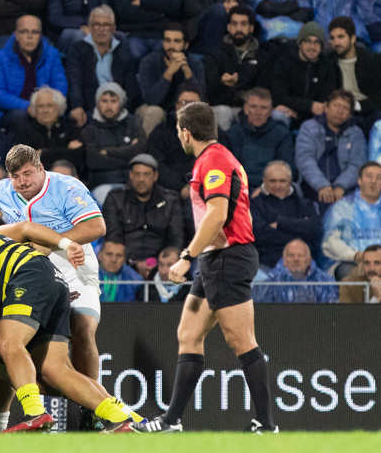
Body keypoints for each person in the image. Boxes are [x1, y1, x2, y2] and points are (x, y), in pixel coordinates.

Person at [0, 143, 109, 428]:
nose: (22, 182)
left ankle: (93, 412)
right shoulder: (5, 189)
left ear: (41, 169)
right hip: (29, 278)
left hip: (73, 270)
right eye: (16, 176)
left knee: (81, 328)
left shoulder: (67, 188)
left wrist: (51, 243)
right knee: (10, 350)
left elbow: (96, 228)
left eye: (28, 174)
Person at [134, 101, 277, 434]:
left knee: (241, 340)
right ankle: (171, 422)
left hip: (228, 258)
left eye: (179, 133)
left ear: (186, 132)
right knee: (188, 334)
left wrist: (186, 256)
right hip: (217, 259)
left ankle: (266, 424)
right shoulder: (221, 157)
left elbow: (217, 214)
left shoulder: (212, 161)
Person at [322, 161, 381, 278]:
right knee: (350, 274)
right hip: (351, 262)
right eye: (369, 176)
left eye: (379, 177)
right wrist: (355, 255)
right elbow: (330, 243)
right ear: (359, 181)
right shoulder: (341, 209)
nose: (373, 181)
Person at [102, 153, 183, 278]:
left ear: (155, 176)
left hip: (161, 265)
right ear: (130, 175)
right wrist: (133, 263)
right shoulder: (115, 198)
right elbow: (113, 237)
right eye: (137, 174)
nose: (141, 179)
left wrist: (159, 264)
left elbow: (177, 238)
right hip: (124, 265)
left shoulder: (170, 200)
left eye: (146, 174)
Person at [0, 14, 67, 133]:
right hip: (16, 111)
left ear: (40, 36)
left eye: (35, 32)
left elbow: (60, 86)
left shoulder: (52, 55)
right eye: (24, 32)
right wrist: (28, 106)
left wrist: (44, 106)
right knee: (21, 117)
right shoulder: (1, 57)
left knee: (60, 117)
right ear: (17, 35)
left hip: (47, 106)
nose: (30, 37)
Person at [204, 6, 273, 131]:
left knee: (260, 111)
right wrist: (222, 83)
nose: (239, 29)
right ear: (228, 27)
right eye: (235, 24)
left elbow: (264, 91)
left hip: (251, 107)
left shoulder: (264, 58)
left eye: (244, 24)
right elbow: (208, 91)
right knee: (222, 111)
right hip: (223, 106)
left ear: (251, 28)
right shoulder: (215, 54)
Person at [294, 89, 366, 209]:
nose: (340, 111)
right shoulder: (309, 127)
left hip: (345, 188)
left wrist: (341, 185)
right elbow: (305, 160)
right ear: (326, 107)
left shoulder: (356, 133)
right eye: (336, 105)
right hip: (314, 186)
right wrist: (322, 185)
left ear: (349, 114)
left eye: (345, 108)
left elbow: (357, 164)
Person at [251, 160, 323, 271]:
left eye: (282, 181)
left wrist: (280, 223)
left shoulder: (305, 204)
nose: (278, 185)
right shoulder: (254, 204)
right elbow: (259, 235)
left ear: (290, 181)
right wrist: (299, 229)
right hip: (268, 262)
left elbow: (314, 229)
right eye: (272, 181)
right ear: (264, 181)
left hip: (304, 263)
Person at [136, 23, 205, 136]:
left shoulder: (195, 64)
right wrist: (169, 73)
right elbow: (151, 100)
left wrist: (187, 73)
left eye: (177, 41)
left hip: (183, 107)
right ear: (163, 43)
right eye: (167, 40)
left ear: (186, 45)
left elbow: (202, 100)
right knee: (155, 112)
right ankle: (145, 152)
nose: (171, 46)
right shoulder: (149, 62)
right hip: (154, 109)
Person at [81, 82, 144, 202]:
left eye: (113, 101)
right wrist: (129, 156)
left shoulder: (133, 124)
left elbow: (141, 151)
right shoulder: (89, 129)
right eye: (104, 101)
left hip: (133, 184)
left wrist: (108, 152)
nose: (109, 106)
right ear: (97, 103)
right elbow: (94, 161)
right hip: (103, 183)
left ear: (120, 103)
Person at [328, 16, 381, 126]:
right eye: (333, 38)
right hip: (343, 112)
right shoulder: (329, 62)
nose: (336, 42)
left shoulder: (371, 59)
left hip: (371, 110)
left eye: (341, 37)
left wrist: (359, 105)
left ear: (353, 38)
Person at [268, 22, 338, 127]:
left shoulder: (328, 67)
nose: (312, 46)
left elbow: (323, 103)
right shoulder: (284, 62)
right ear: (300, 43)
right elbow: (279, 96)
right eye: (307, 41)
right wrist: (309, 106)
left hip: (315, 116)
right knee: (277, 115)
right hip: (289, 112)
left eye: (317, 42)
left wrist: (299, 114)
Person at [226, 88, 294, 191]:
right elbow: (227, 169)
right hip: (239, 189)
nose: (258, 112)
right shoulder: (233, 133)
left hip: (271, 189)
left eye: (264, 108)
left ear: (271, 111)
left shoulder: (281, 134)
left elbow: (286, 169)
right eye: (253, 107)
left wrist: (264, 188)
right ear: (246, 109)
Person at [11, 85, 83, 171]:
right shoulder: (25, 131)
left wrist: (43, 154)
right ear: (34, 109)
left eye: (50, 106)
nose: (45, 110)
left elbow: (77, 156)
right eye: (40, 106)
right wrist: (65, 151)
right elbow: (25, 162)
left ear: (59, 107)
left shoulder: (70, 127)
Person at [253, 237, 338, 302]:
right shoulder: (269, 282)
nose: (296, 259)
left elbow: (332, 312)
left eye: (300, 255)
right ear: (284, 260)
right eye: (291, 255)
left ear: (309, 260)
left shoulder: (326, 282)